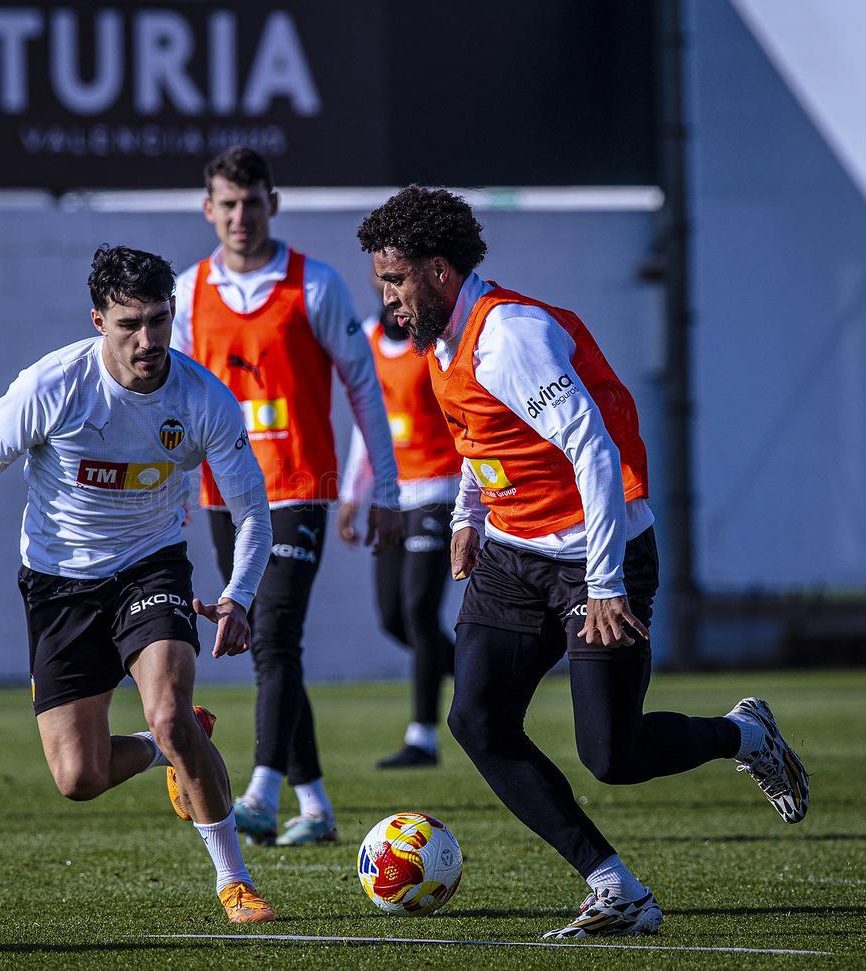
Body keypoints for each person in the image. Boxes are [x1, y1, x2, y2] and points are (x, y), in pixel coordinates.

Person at [357, 186, 810, 940]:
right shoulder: (441, 339)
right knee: (476, 719)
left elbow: (593, 451)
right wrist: (470, 517)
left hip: (599, 556)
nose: (389, 299)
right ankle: (616, 887)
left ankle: (745, 735)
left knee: (613, 754)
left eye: (394, 280)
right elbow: (479, 436)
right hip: (512, 557)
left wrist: (602, 582)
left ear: (438, 270)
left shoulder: (511, 336)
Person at [0, 245, 277, 923]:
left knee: (167, 710)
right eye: (130, 323)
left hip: (152, 565)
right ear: (97, 319)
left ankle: (234, 879)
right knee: (79, 778)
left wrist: (239, 593)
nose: (148, 339)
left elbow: (254, 511)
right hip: (58, 584)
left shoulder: (202, 398)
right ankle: (170, 741)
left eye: (159, 320)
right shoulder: (51, 386)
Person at [172, 146, 402, 847]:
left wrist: (383, 486)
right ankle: (317, 804)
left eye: (252, 201)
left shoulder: (317, 285)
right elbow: (174, 402)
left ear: (275, 201)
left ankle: (261, 795)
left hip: (300, 486)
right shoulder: (188, 291)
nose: (241, 216)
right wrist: (176, 486)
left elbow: (365, 384)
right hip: (222, 492)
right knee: (269, 645)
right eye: (227, 203)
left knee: (272, 635)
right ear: (208, 209)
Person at [337, 288, 459, 768]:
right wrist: (353, 493)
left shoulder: (434, 341)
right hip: (392, 494)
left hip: (439, 488)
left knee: (419, 612)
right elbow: (366, 425)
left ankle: (423, 738)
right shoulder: (366, 340)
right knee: (392, 617)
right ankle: (480, 679)